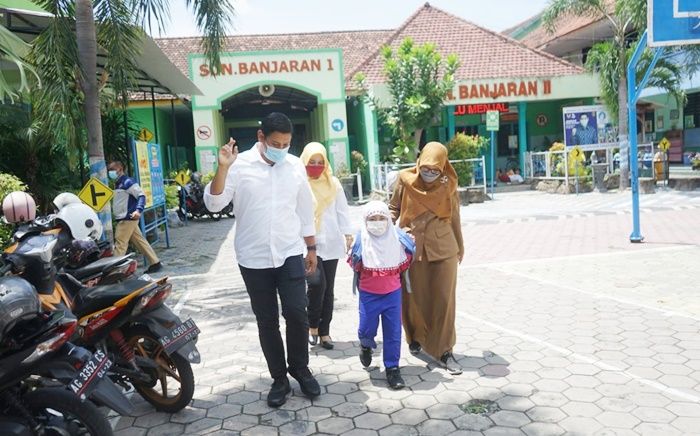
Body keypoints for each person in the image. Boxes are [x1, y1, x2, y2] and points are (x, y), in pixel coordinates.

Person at [203, 112, 321, 408]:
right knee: (267, 321)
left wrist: (311, 248)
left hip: (289, 253)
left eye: (287, 143)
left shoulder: (294, 167)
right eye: (275, 143)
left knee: (297, 313)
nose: (282, 148)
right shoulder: (238, 165)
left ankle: (300, 367)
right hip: (253, 258)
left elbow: (304, 210)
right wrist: (222, 168)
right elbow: (214, 203)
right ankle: (279, 378)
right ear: (261, 138)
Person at [389, 141, 464, 375]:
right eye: (426, 168)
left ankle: (445, 350)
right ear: (419, 163)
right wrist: (385, 228)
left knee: (444, 301)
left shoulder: (448, 185)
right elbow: (393, 208)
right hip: (411, 248)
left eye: (435, 170)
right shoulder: (404, 180)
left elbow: (454, 217)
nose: (430, 173)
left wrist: (460, 246)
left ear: (443, 167)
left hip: (444, 249)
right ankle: (416, 338)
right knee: (412, 298)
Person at [348, 201, 415, 389]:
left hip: (393, 294)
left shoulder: (398, 239)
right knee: (366, 328)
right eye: (372, 219)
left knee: (393, 332)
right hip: (369, 295)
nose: (377, 222)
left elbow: (408, 256)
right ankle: (365, 345)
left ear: (388, 219)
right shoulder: (360, 240)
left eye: (381, 218)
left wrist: (412, 240)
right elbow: (354, 263)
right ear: (365, 221)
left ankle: (392, 368)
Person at [300, 142, 354, 350]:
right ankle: (311, 325)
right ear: (304, 161)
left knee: (328, 288)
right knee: (316, 285)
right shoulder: (300, 183)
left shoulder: (334, 183)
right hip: (308, 243)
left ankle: (325, 332)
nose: (315, 166)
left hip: (330, 241)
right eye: (311, 162)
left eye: (319, 162)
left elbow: (342, 210)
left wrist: (348, 233)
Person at [108, 161, 162, 273]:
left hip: (127, 218)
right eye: (109, 170)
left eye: (112, 169)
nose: (110, 172)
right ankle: (155, 263)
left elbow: (141, 195)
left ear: (120, 169)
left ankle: (114, 271)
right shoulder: (118, 183)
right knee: (140, 241)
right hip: (126, 217)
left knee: (120, 243)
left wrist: (138, 210)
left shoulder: (128, 182)